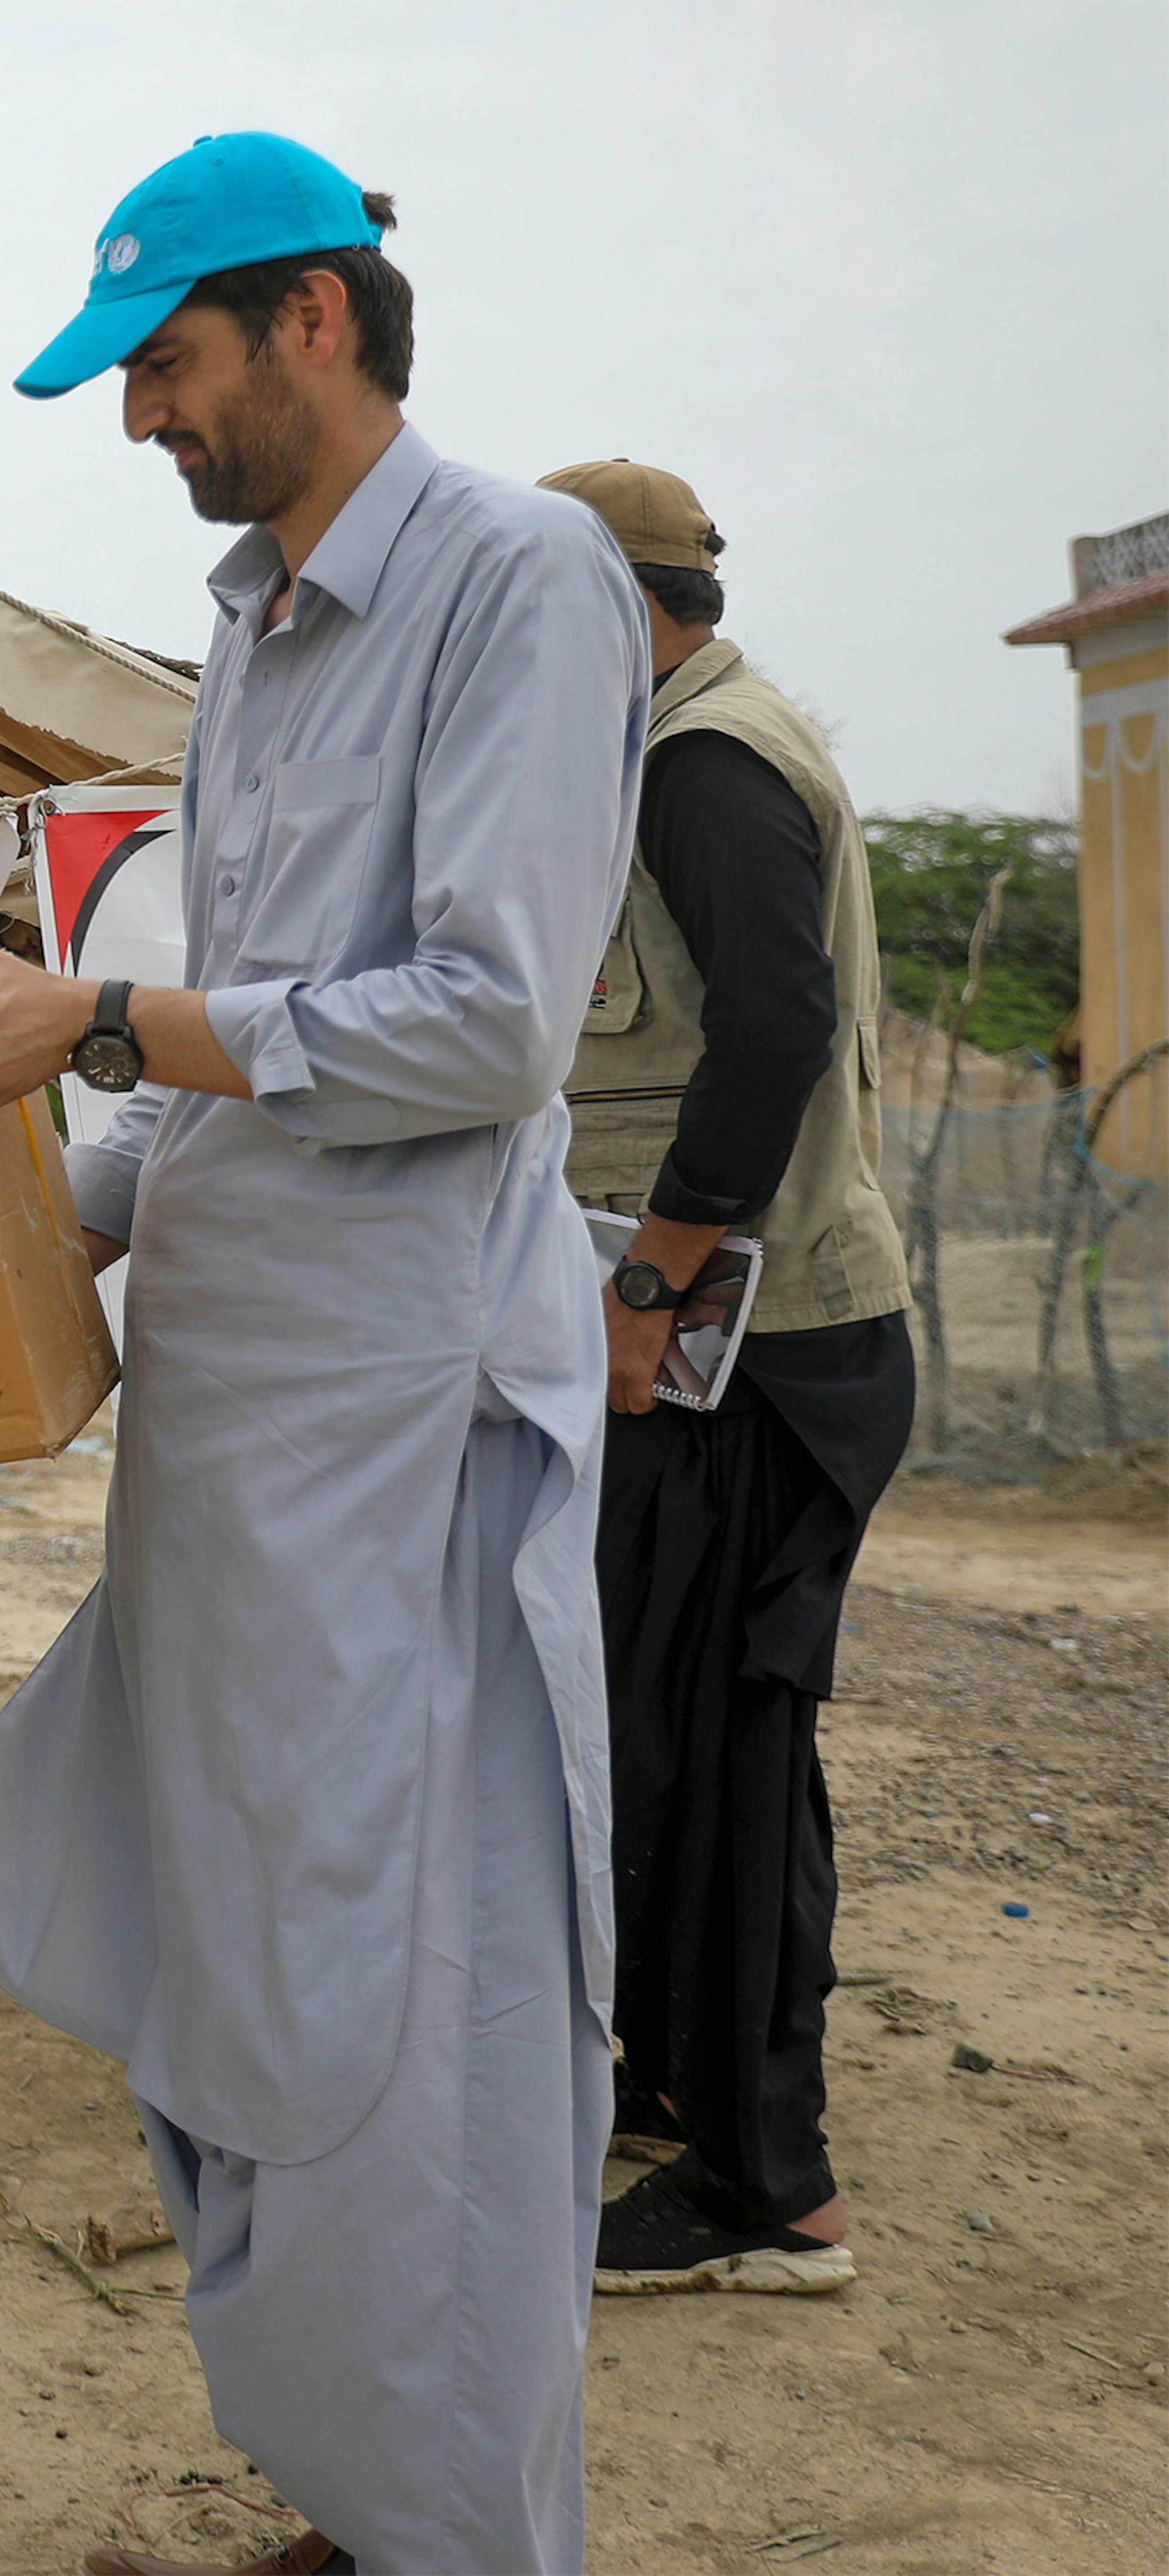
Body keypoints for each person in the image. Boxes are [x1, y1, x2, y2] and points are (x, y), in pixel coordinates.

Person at [0, 134, 647, 2575]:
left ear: (308, 317)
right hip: (226, 1448)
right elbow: (220, 1079)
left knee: (418, 2016)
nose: (136, 423)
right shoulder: (255, 632)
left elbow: (482, 1032)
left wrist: (86, 1020)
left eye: (161, 366)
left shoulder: (516, 579)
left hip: (395, 1451)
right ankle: (355, 2487)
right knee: (244, 1992)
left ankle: (459, 2534)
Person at [535, 458, 912, 2298]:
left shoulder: (705, 763)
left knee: (734, 1752)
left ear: (610, 606)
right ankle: (685, 2093)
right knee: (668, 1736)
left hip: (759, 1341)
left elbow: (770, 1041)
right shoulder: (681, 742)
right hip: (731, 1330)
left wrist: (650, 1283)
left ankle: (776, 2195)